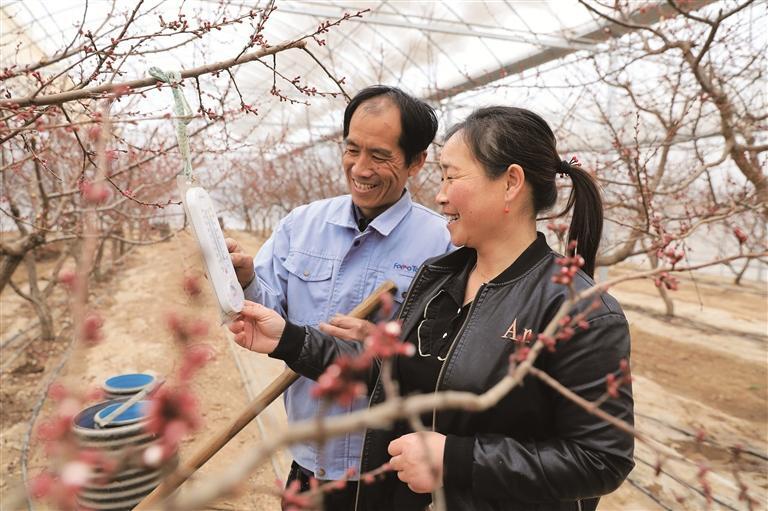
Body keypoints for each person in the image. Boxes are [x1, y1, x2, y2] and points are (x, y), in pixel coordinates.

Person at [230, 106, 634, 511]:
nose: (439, 195)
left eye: (451, 176)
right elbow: (389, 370)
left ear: (510, 183)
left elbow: (602, 460)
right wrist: (287, 338)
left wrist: (455, 460)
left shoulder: (579, 312)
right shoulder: (440, 281)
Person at [226, 86, 453, 508]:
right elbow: (271, 315)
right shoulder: (301, 225)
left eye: (380, 156)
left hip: (387, 472)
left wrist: (386, 344)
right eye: (352, 149)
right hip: (308, 460)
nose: (360, 168)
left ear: (417, 161)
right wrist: (244, 281)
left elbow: (447, 360)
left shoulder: (442, 245)